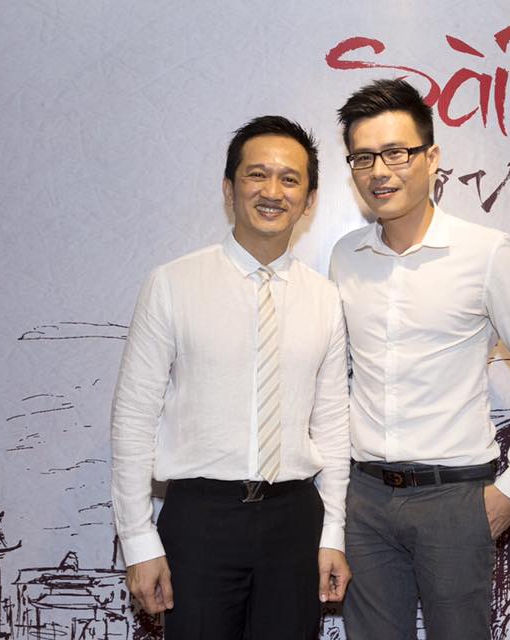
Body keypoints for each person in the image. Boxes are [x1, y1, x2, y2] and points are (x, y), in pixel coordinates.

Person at [329, 79, 510, 639]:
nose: (380, 171)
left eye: (396, 153)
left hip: (455, 498)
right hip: (365, 500)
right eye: (364, 157)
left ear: (431, 158)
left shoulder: (485, 253)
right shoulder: (345, 257)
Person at [110, 115, 351, 640]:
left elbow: (333, 427)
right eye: (256, 174)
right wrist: (139, 541)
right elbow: (134, 419)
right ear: (228, 188)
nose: (272, 191)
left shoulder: (325, 299)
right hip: (199, 520)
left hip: (295, 522)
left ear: (309, 200)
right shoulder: (172, 284)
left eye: (290, 179)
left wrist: (332, 532)